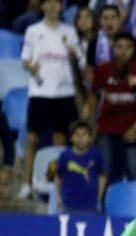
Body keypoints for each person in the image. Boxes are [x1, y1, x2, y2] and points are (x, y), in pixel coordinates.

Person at [18, 0, 82, 200]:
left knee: (61, 140)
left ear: (61, 7)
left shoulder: (70, 31)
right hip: (40, 91)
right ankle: (26, 184)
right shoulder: (33, 31)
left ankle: (60, 185)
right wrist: (32, 67)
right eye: (49, 3)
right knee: (31, 139)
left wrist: (73, 55)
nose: (53, 7)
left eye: (57, 3)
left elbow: (79, 58)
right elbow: (25, 59)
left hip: (64, 93)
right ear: (43, 7)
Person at [89, 32, 136, 183]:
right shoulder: (102, 69)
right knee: (106, 171)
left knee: (134, 171)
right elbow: (93, 98)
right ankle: (103, 205)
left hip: (131, 129)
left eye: (128, 47)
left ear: (133, 50)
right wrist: (92, 124)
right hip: (106, 129)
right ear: (113, 48)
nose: (123, 51)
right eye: (119, 47)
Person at [55, 120, 106, 214]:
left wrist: (98, 198)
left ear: (90, 137)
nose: (80, 138)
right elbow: (58, 177)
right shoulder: (64, 156)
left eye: (84, 134)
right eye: (77, 135)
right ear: (71, 138)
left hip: (91, 206)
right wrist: (58, 196)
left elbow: (102, 177)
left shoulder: (96, 155)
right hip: (67, 205)